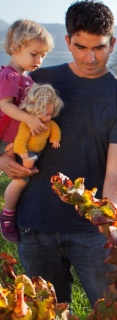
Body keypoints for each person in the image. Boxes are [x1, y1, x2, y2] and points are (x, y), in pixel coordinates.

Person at [0, 0, 117, 310]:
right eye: (80, 46)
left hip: (90, 233)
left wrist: (109, 213)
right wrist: (1, 159)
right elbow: (5, 124)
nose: (90, 57)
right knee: (49, 314)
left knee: (112, 313)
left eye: (99, 48)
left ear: (112, 43)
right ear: (67, 41)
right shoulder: (35, 82)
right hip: (34, 226)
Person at [0, 19, 54, 242]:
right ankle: (7, 215)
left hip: (21, 139)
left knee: (28, 175)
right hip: (7, 140)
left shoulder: (27, 79)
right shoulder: (9, 76)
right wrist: (30, 120)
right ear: (14, 47)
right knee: (21, 179)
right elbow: (5, 104)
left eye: (43, 56)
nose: (39, 61)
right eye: (34, 54)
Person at [2, 84, 63, 243]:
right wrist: (22, 153)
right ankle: (7, 213)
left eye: (50, 114)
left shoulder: (49, 124)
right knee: (21, 180)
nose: (48, 118)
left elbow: (55, 129)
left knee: (26, 172)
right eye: (45, 114)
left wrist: (54, 140)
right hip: (26, 152)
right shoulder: (27, 125)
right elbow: (20, 141)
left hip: (37, 153)